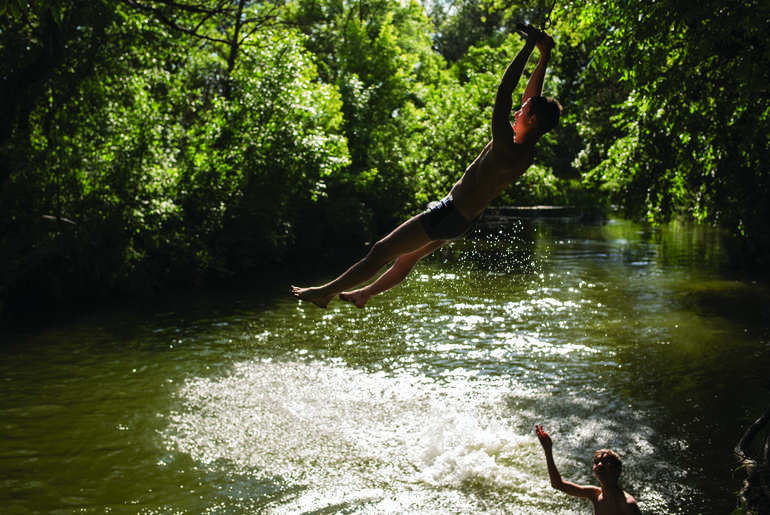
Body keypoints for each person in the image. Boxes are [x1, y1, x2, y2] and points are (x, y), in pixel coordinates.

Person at [291, 25, 562, 308]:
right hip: (464, 221)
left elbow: (505, 92)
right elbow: (529, 102)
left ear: (531, 121)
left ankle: (325, 292)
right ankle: (364, 293)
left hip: (450, 214)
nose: (517, 111)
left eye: (523, 112)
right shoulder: (525, 150)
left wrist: (529, 46)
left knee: (381, 250)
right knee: (406, 258)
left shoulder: (506, 143)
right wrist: (545, 57)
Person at [535, 424, 642, 515]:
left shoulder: (627, 504)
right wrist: (548, 450)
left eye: (605, 462)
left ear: (618, 470)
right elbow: (557, 484)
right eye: (596, 462)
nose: (599, 465)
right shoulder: (594, 495)